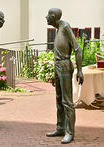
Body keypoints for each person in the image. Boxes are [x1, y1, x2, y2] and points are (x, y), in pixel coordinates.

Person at [45, 8, 84, 144]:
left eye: (48, 16)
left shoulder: (65, 26)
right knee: (59, 99)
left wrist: (79, 70)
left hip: (65, 66)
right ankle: (60, 127)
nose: (46, 17)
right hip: (58, 66)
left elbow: (77, 48)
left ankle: (69, 132)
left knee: (67, 102)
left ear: (54, 17)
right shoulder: (58, 28)